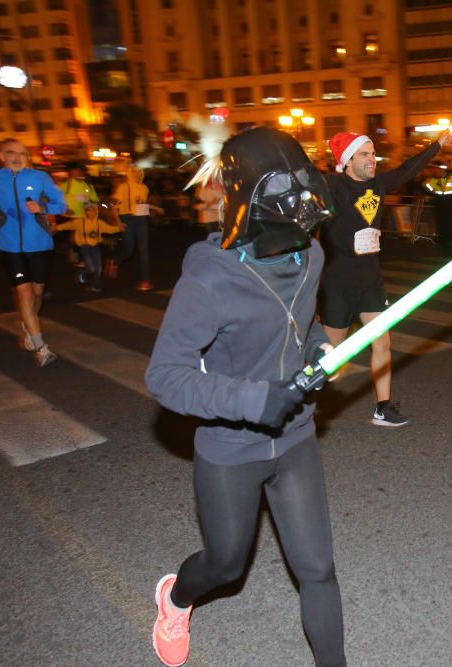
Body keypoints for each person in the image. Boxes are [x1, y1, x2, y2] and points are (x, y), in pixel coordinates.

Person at [146, 127, 343, 667]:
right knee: (226, 566)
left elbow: (306, 326)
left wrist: (319, 349)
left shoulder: (312, 256)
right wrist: (255, 400)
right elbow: (165, 376)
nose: (304, 216)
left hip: (297, 436)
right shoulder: (210, 280)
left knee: (318, 570)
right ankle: (176, 598)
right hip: (231, 447)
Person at [320, 128, 451, 427]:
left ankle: (383, 407)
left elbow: (408, 169)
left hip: (370, 281)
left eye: (373, 154)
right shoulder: (331, 186)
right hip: (337, 282)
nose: (372, 159)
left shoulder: (378, 184)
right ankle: (304, 409)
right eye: (364, 154)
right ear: (347, 160)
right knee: (331, 358)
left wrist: (436, 147)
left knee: (382, 343)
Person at [0, 138, 66, 367]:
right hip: (9, 246)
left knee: (37, 292)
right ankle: (41, 347)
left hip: (40, 244)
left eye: (22, 154)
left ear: (28, 157)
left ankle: (28, 324)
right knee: (25, 294)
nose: (17, 158)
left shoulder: (40, 178)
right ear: (1, 156)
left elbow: (61, 204)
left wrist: (43, 208)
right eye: (11, 153)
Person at [106, 163, 158, 291]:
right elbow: (113, 205)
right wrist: (118, 222)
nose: (137, 174)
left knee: (143, 250)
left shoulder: (144, 188)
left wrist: (154, 210)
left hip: (141, 219)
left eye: (139, 172)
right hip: (127, 218)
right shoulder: (124, 187)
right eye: (134, 172)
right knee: (129, 249)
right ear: (129, 173)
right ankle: (115, 261)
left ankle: (145, 280)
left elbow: (141, 204)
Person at [53, 203, 124, 292]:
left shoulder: (99, 223)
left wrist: (119, 228)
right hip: (85, 247)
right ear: (85, 212)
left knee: (98, 269)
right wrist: (56, 228)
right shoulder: (79, 222)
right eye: (89, 210)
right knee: (91, 268)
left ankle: (95, 286)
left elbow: (109, 229)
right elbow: (67, 226)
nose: (91, 213)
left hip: (95, 247)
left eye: (93, 210)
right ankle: (81, 273)